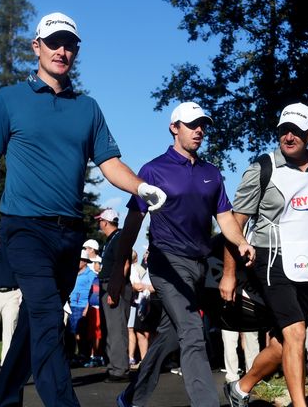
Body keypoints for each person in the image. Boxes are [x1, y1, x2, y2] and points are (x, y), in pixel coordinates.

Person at [0, 12, 166, 407]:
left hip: (68, 234)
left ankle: (3, 401)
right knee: (49, 316)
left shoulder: (87, 108)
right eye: (53, 42)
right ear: (37, 46)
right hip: (23, 228)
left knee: (37, 322)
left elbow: (109, 164)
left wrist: (142, 187)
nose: (62, 50)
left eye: (69, 44)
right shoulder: (8, 100)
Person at [113, 101, 255, 407]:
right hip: (166, 262)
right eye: (192, 125)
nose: (199, 130)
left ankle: (131, 397)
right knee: (192, 331)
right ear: (174, 128)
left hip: (200, 264)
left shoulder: (211, 173)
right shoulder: (153, 170)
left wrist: (241, 241)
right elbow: (133, 222)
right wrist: (118, 269)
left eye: (202, 124)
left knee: (169, 334)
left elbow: (226, 217)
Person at [220, 102, 308, 407]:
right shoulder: (263, 167)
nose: (289, 136)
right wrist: (229, 274)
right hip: (271, 257)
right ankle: (300, 404)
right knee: (296, 332)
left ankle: (240, 388)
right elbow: (235, 222)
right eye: (284, 130)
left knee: (284, 342)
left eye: (296, 130)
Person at [94, 207, 133, 382]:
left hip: (114, 285)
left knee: (117, 330)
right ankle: (114, 366)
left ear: (105, 222)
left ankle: (120, 370)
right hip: (108, 284)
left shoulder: (119, 238)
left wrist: (114, 290)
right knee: (110, 330)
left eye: (100, 221)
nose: (99, 224)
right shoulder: (111, 239)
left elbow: (124, 264)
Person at [66, 250, 96, 366]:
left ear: (84, 261)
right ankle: (71, 354)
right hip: (70, 305)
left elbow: (92, 293)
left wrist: (87, 308)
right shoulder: (73, 272)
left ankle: (83, 355)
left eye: (79, 260)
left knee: (81, 332)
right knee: (69, 332)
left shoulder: (90, 274)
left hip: (82, 306)